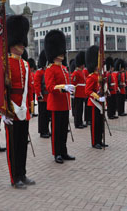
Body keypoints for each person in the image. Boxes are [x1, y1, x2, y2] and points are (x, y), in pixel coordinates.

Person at [0, 15, 35, 189]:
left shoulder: (26, 65)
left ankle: (22, 173)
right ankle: (14, 177)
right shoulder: (4, 63)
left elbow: (29, 88)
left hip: (23, 108)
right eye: (19, 43)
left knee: (22, 144)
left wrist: (29, 107)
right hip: (12, 109)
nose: (22, 46)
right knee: (13, 145)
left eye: (23, 43)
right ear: (13, 43)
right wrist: (4, 111)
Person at [44, 30, 75, 164]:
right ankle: (57, 153)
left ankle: (63, 151)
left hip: (64, 103)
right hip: (56, 104)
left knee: (63, 130)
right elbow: (50, 87)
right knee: (56, 131)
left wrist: (69, 89)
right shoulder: (50, 69)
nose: (62, 54)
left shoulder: (64, 68)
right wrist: (63, 88)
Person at [84, 45, 107, 149]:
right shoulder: (91, 77)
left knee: (101, 124)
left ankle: (100, 140)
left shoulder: (100, 76)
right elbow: (88, 91)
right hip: (94, 103)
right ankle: (95, 142)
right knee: (95, 124)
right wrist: (97, 97)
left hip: (101, 103)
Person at [34, 50, 50, 138]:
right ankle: (42, 131)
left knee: (47, 116)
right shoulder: (39, 72)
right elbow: (37, 85)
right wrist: (39, 96)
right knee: (43, 115)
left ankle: (47, 129)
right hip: (42, 97)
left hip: (48, 97)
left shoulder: (47, 71)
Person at [71, 51, 87, 129]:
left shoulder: (81, 72)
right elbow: (73, 84)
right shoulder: (76, 73)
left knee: (81, 109)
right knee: (77, 110)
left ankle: (80, 122)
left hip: (81, 93)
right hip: (77, 94)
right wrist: (73, 93)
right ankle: (77, 123)